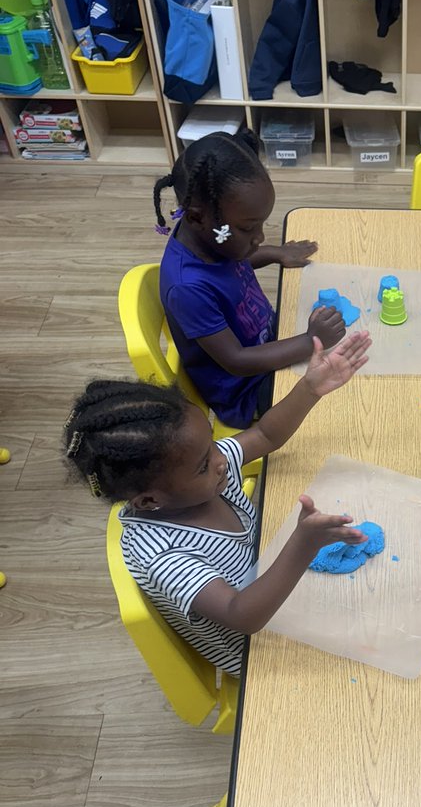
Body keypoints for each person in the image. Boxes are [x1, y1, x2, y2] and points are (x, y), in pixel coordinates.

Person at [64, 331, 371, 677]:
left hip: (274, 577)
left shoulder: (205, 473)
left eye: (211, 444)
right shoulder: (162, 555)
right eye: (204, 463)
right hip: (261, 651)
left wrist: (310, 388)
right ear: (150, 500)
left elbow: (265, 435)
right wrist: (303, 544)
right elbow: (243, 615)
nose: (221, 459)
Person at [152, 129, 345, 429]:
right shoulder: (187, 288)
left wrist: (273, 253)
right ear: (197, 218)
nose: (259, 237)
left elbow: (231, 263)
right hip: (249, 390)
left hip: (270, 341)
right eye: (248, 229)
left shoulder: (214, 239)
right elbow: (237, 361)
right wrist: (310, 340)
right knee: (348, 395)